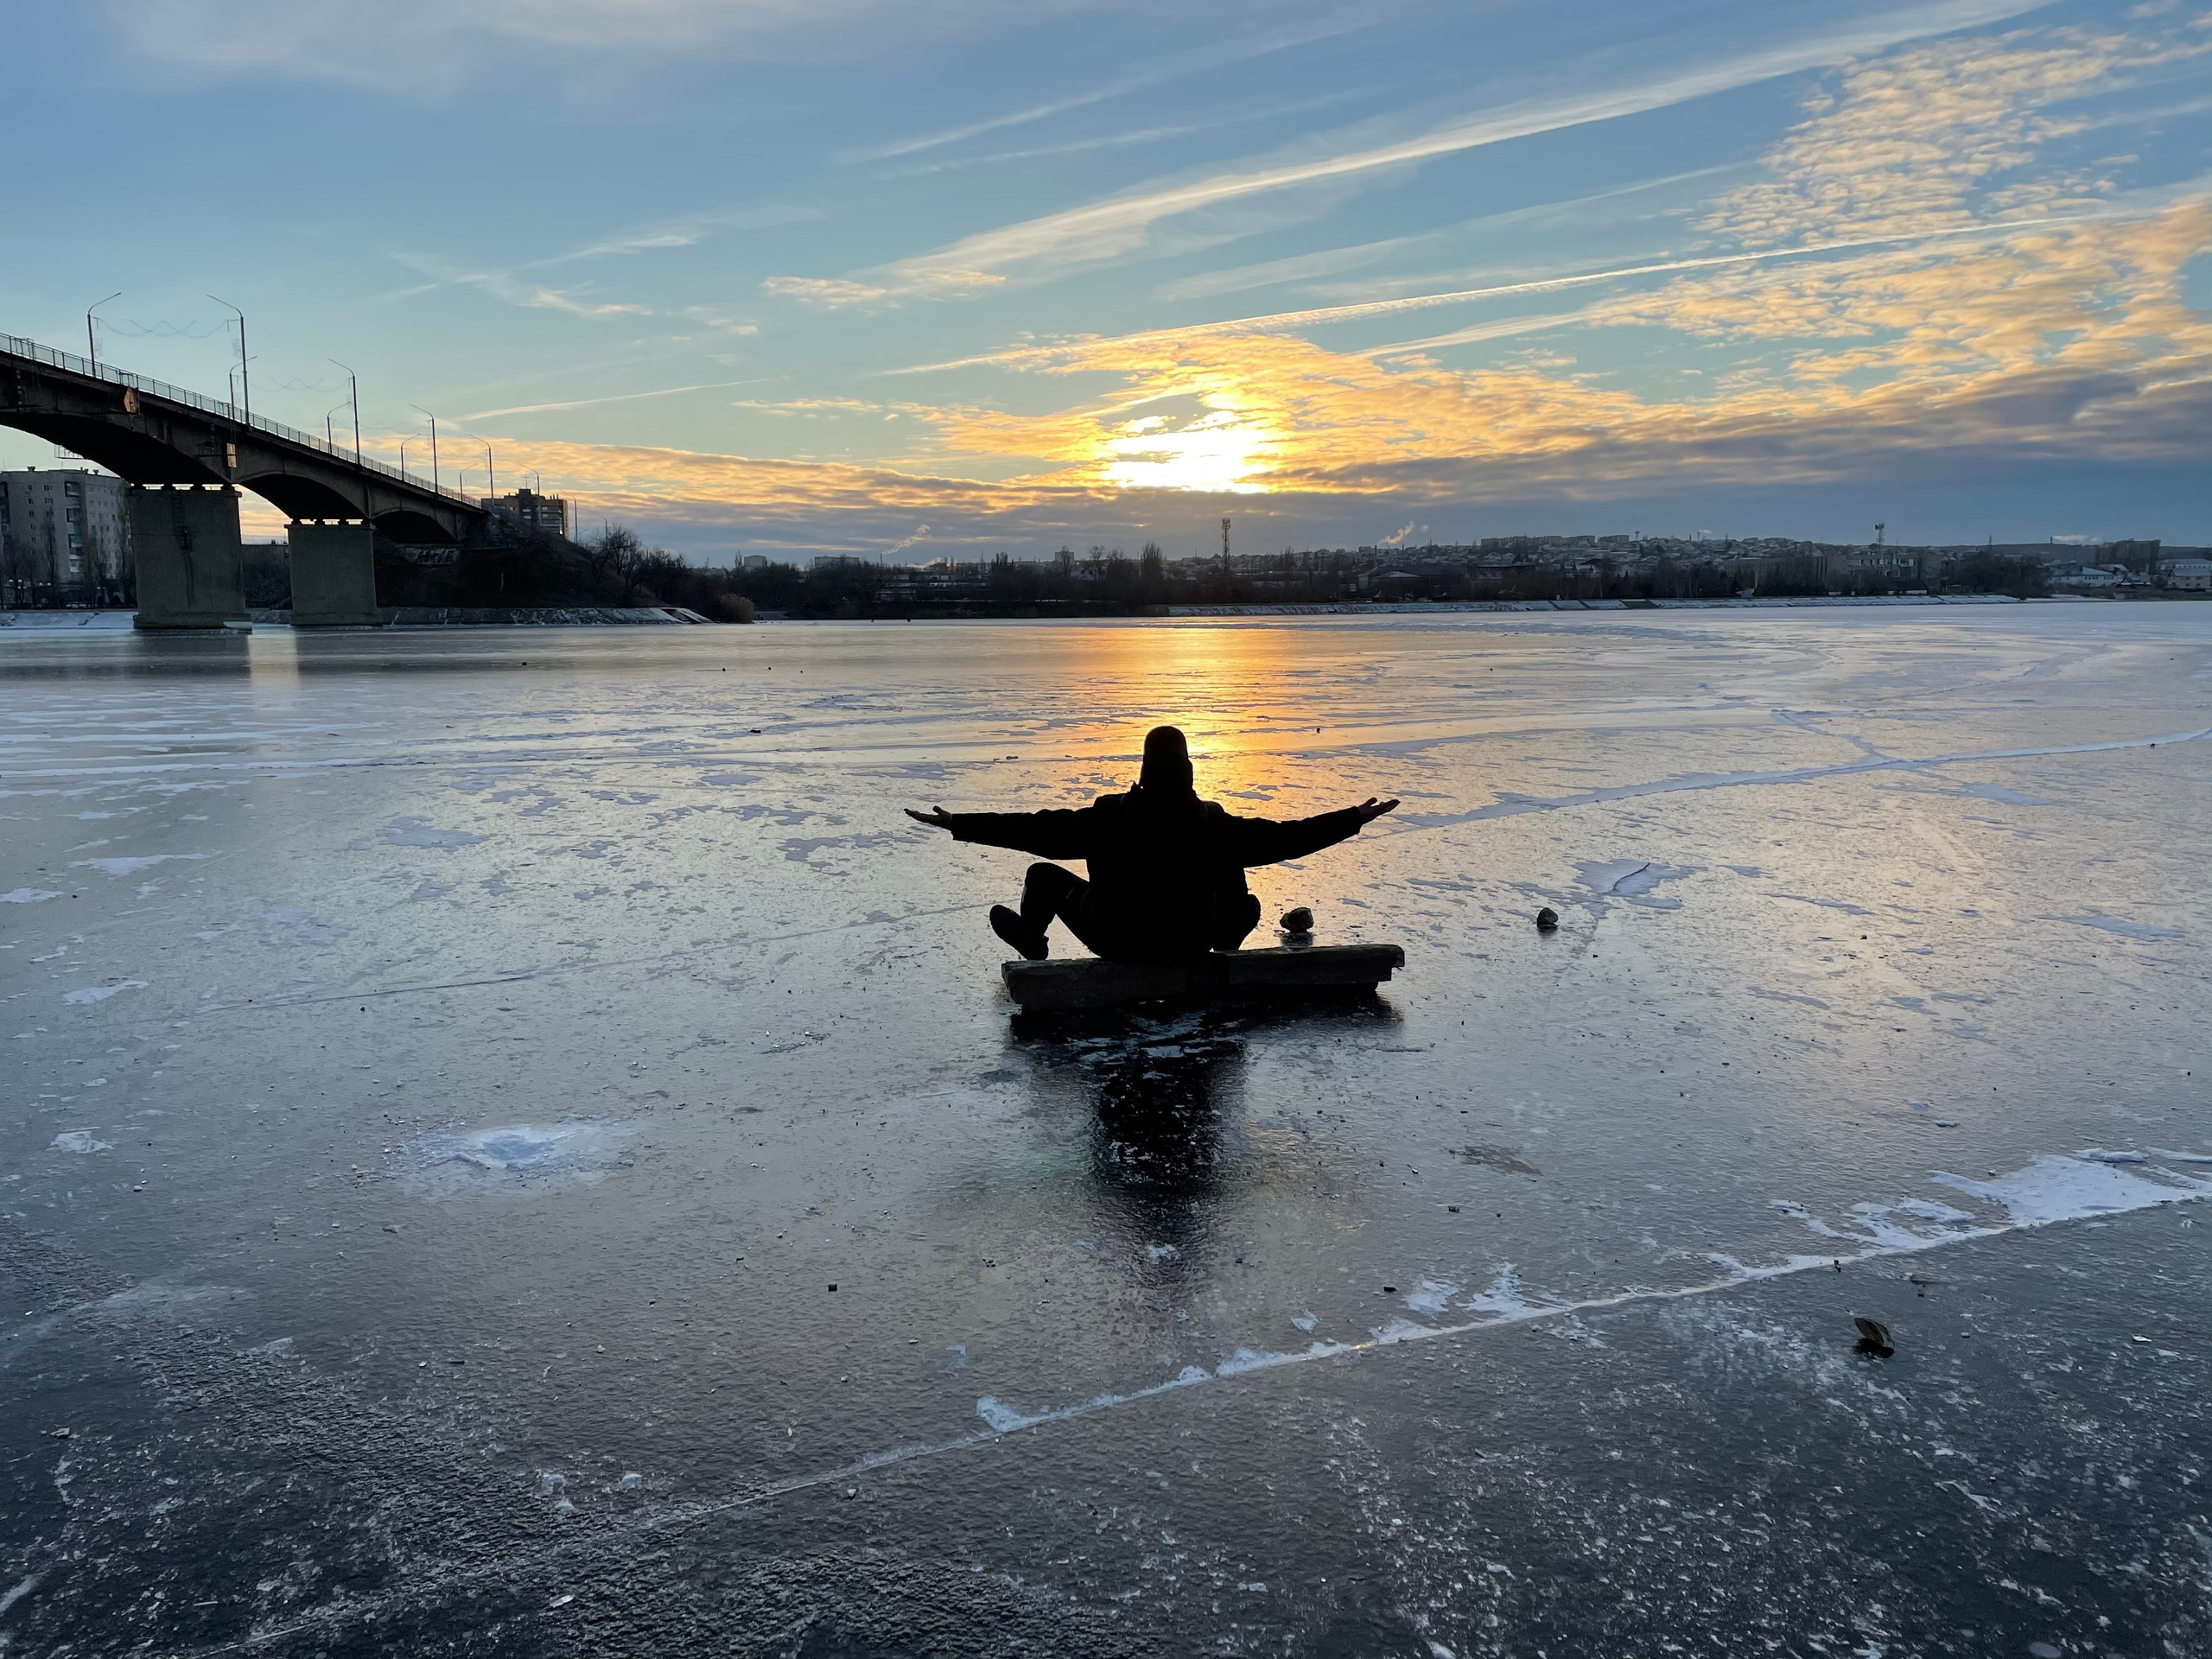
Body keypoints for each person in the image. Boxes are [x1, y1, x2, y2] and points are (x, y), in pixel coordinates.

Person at [906, 725, 1398, 963]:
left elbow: (1035, 831)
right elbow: (1288, 838)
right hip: (1189, 940)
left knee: (1041, 875)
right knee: (1239, 880)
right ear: (1187, 771)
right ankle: (1227, 941)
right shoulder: (1210, 821)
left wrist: (960, 822)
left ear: (1143, 770)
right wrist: (1353, 818)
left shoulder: (1108, 815)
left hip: (1117, 941)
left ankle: (1033, 940)